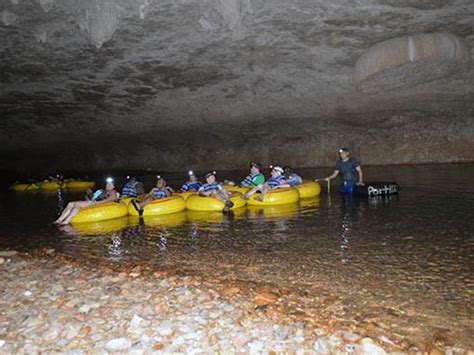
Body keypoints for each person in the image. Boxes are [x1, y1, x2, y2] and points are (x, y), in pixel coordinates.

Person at [53, 177, 119, 226]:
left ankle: (66, 221)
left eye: (110, 185)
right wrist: (90, 194)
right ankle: (59, 220)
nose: (108, 186)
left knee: (77, 205)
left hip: (97, 203)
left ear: (113, 186)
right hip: (93, 201)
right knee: (71, 203)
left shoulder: (112, 191)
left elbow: (112, 198)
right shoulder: (101, 191)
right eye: (107, 184)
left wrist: (98, 202)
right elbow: (93, 197)